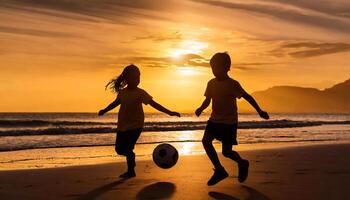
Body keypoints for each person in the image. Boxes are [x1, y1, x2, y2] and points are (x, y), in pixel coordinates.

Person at [195, 52, 269, 185]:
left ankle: (242, 163)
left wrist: (259, 111)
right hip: (214, 120)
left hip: (229, 123)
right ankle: (219, 170)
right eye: (212, 68)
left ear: (227, 68)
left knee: (226, 152)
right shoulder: (211, 83)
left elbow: (247, 97)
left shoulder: (233, 84)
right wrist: (201, 108)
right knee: (206, 141)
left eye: (217, 68)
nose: (214, 71)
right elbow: (207, 100)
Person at [98, 64, 180, 178]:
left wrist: (170, 112)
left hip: (136, 125)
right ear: (126, 79)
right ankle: (131, 161)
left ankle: (131, 171)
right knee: (119, 149)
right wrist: (104, 110)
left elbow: (154, 104)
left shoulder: (141, 93)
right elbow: (115, 103)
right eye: (134, 77)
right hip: (122, 125)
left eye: (138, 77)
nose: (137, 80)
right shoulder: (122, 93)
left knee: (128, 148)